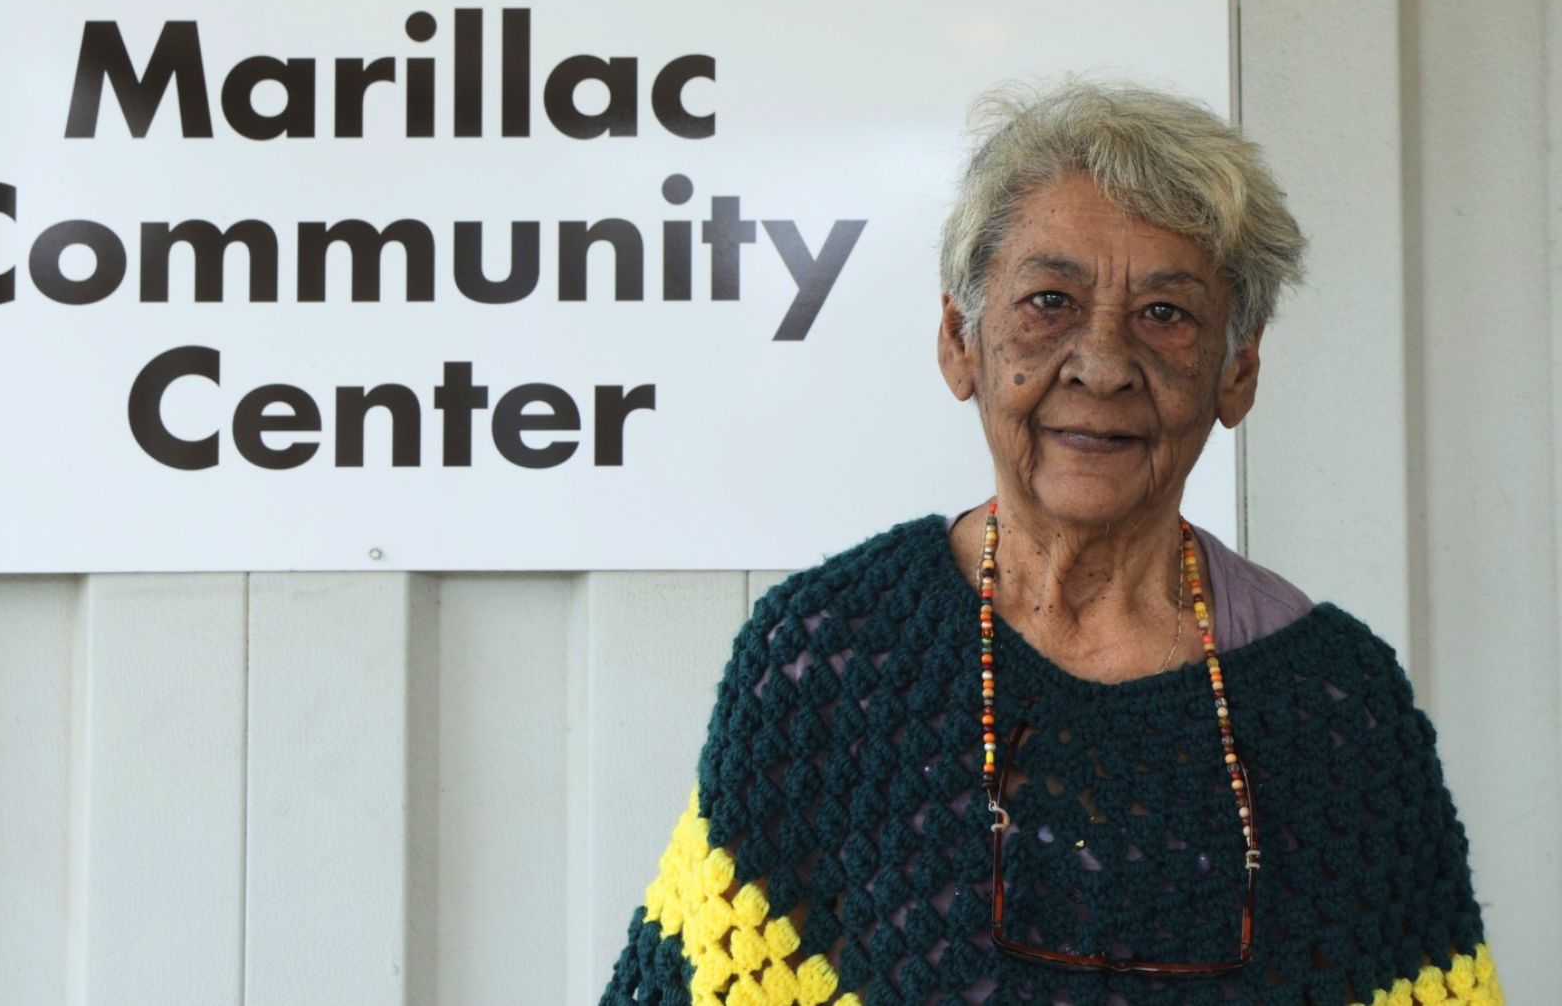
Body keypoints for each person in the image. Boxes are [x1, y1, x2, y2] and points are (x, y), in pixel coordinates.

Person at [599, 83, 1503, 1005]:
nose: (1103, 364)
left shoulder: (1333, 705)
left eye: (1166, 314)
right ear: (962, 340)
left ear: (1238, 369)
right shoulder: (835, 653)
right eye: (1049, 301)